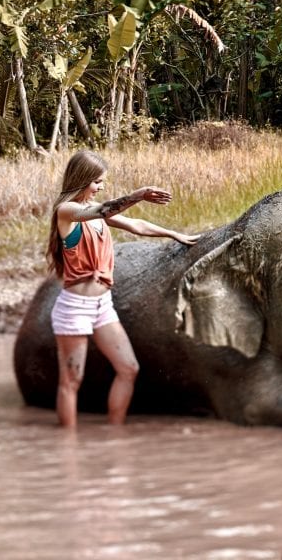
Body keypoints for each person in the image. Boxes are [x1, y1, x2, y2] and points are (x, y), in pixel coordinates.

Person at [46, 150, 200, 428]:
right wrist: (138, 195)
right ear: (81, 179)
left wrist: (172, 233)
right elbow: (106, 209)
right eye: (97, 182)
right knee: (71, 380)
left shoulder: (95, 213)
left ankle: (114, 436)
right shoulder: (67, 211)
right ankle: (67, 450)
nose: (101, 187)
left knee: (128, 369)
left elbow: (135, 224)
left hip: (102, 305)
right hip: (74, 308)